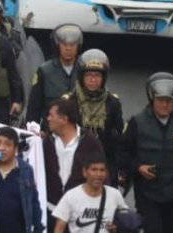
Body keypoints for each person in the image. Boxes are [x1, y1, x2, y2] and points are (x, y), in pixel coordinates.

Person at [118, 73, 173, 233]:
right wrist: (138, 167)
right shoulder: (137, 123)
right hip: (147, 195)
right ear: (152, 100)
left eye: (169, 101)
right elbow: (122, 153)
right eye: (160, 100)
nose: (164, 105)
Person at [63, 49, 124, 185]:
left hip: (103, 166)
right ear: (81, 77)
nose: (93, 80)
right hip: (75, 165)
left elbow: (118, 138)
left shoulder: (113, 103)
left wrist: (118, 170)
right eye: (89, 75)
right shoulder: (69, 102)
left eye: (97, 75)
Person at [43, 98, 105, 228]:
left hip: (81, 215)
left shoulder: (90, 142)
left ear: (64, 119)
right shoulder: (47, 142)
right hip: (52, 213)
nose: (48, 118)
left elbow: (102, 176)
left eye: (51, 115)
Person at [52, 152, 127, 233]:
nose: (98, 174)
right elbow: (59, 228)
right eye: (94, 169)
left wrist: (117, 227)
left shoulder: (115, 195)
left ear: (106, 174)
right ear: (85, 172)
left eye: (102, 170)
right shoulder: (71, 196)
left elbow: (126, 221)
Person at [26, 24, 82, 131]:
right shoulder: (44, 71)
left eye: (72, 44)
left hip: (78, 131)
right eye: (64, 44)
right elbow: (34, 105)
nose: (68, 48)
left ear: (78, 46)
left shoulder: (85, 69)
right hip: (50, 131)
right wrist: (33, 130)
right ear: (57, 46)